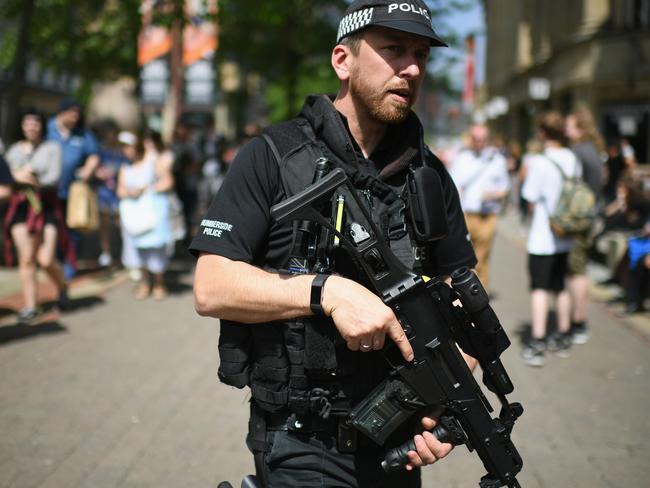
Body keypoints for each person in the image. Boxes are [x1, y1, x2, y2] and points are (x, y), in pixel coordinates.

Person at [190, 1, 478, 486]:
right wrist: (328, 293)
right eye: (393, 50)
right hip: (302, 440)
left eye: (420, 54)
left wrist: (449, 388)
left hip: (397, 442)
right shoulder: (271, 156)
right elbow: (211, 285)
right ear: (342, 60)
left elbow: (459, 288)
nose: (410, 68)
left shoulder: (429, 175)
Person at [520, 111, 581, 367]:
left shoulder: (540, 162)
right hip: (566, 235)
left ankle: (538, 340)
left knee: (540, 288)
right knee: (561, 286)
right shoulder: (571, 158)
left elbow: (529, 196)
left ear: (543, 132)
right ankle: (564, 335)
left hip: (544, 237)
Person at [3, 109, 71, 323]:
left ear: (41, 126)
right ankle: (31, 305)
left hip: (45, 207)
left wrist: (26, 177)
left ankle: (62, 286)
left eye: (35, 123)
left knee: (45, 258)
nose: (31, 127)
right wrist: (18, 177)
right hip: (21, 209)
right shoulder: (14, 150)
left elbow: (52, 178)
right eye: (27, 123)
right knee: (26, 257)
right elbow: (6, 176)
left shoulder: (52, 149)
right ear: (22, 126)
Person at [449, 124, 510, 293]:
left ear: (488, 140)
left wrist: (494, 194)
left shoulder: (497, 160)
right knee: (464, 255)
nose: (479, 143)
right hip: (466, 215)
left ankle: (480, 290)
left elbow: (505, 187)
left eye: (482, 139)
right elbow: (453, 186)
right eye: (476, 139)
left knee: (482, 254)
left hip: (487, 216)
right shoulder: (462, 159)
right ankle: (468, 288)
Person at [564, 106, 606, 344]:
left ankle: (578, 322)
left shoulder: (579, 152)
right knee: (580, 270)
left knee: (575, 272)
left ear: (580, 127)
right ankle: (578, 320)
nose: (567, 130)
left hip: (579, 220)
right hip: (590, 217)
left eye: (570, 125)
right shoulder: (593, 149)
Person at [117, 130, 174, 300]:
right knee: (137, 249)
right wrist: (130, 192)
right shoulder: (125, 168)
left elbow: (168, 181)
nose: (126, 150)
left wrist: (148, 190)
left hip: (153, 211)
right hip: (133, 216)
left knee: (156, 248)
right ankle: (144, 282)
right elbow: (120, 190)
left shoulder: (153, 162)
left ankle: (158, 282)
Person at [47, 98, 100, 279]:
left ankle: (70, 266)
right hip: (49, 192)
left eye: (77, 113)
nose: (75, 117)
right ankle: (54, 264)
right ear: (61, 112)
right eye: (71, 112)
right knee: (51, 229)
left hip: (73, 192)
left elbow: (94, 155)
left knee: (72, 230)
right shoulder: (48, 129)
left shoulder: (83, 133)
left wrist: (88, 169)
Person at [95, 119, 129, 268]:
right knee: (104, 225)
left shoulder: (122, 152)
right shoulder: (100, 151)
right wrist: (99, 173)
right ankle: (106, 252)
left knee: (122, 224)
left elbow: (128, 169)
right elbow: (93, 168)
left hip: (118, 193)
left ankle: (125, 253)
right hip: (104, 193)